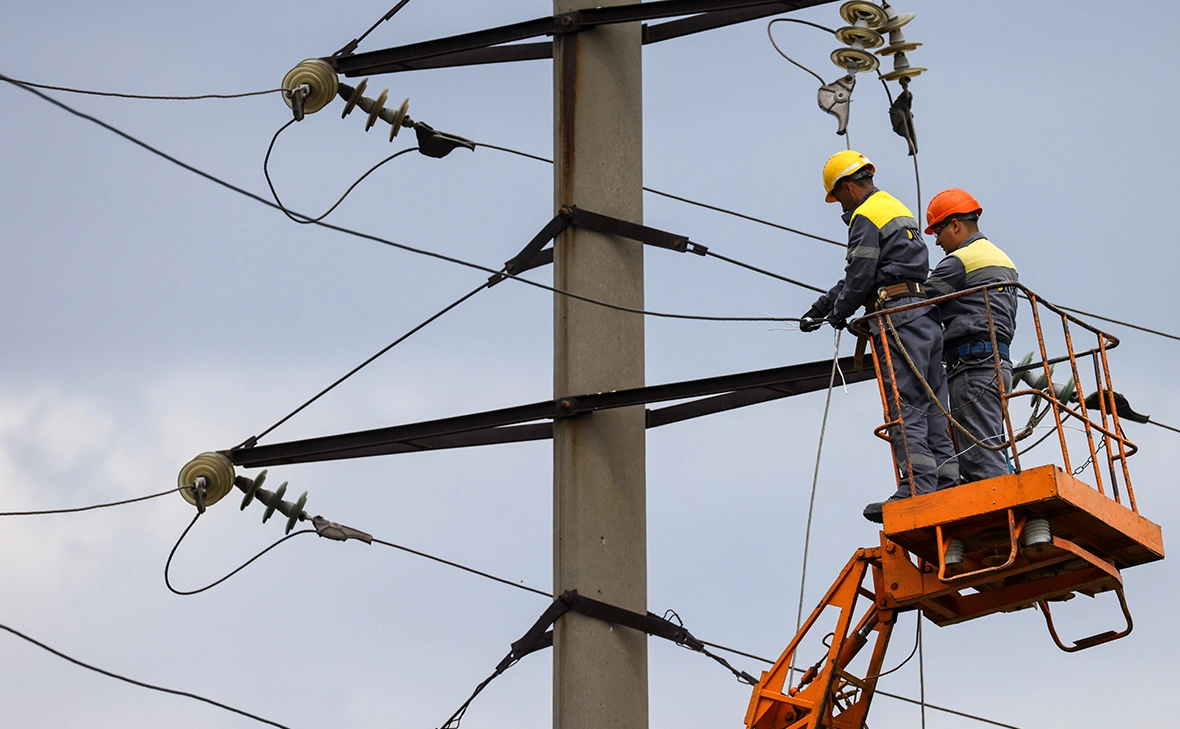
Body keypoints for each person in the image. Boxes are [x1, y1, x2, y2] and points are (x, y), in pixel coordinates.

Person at [800, 150, 958, 523]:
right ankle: (948, 480)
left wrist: (839, 312)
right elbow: (866, 272)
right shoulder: (892, 207)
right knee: (933, 401)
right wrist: (823, 307)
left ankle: (916, 485)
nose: (840, 206)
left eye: (838, 197)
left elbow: (860, 276)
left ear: (848, 187)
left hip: (898, 319)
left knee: (905, 403)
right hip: (924, 316)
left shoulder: (864, 216)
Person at [924, 189, 1019, 483]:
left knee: (981, 458)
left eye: (938, 230)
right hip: (997, 363)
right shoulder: (1002, 259)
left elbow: (918, 303)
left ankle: (1001, 507)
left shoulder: (960, 261)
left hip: (972, 366)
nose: (937, 240)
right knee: (987, 444)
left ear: (955, 225)